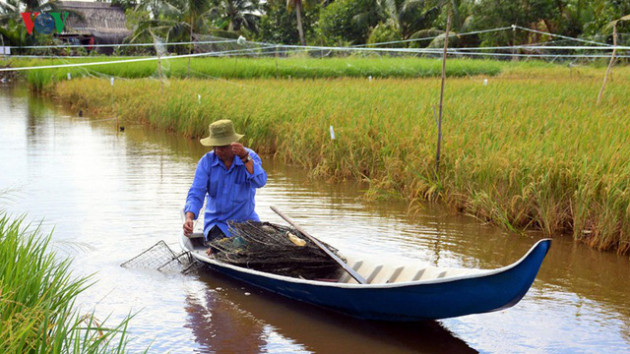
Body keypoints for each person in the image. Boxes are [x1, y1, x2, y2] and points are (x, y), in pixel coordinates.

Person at [183, 119, 267, 245]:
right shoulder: (206, 162)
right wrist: (189, 218)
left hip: (247, 221)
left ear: (233, 144)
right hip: (218, 223)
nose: (219, 151)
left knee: (261, 247)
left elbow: (260, 182)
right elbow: (196, 192)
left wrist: (245, 157)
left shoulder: (249, 157)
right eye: (217, 147)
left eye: (224, 147)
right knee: (224, 247)